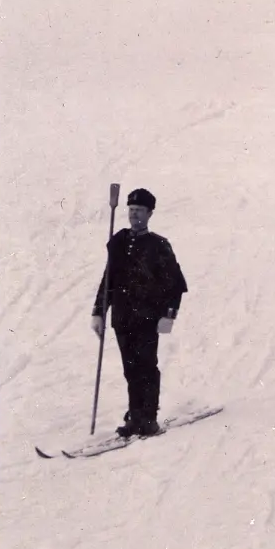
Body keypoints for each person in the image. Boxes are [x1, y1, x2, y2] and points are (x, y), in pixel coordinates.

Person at [90, 187, 187, 438]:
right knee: (130, 369)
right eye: (131, 210)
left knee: (146, 366)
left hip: (147, 317)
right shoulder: (118, 242)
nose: (134, 215)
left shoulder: (159, 246)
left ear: (150, 213)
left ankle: (149, 418)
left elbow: (175, 283)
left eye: (140, 211)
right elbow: (108, 279)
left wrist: (169, 314)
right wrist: (99, 311)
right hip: (122, 318)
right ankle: (135, 416)